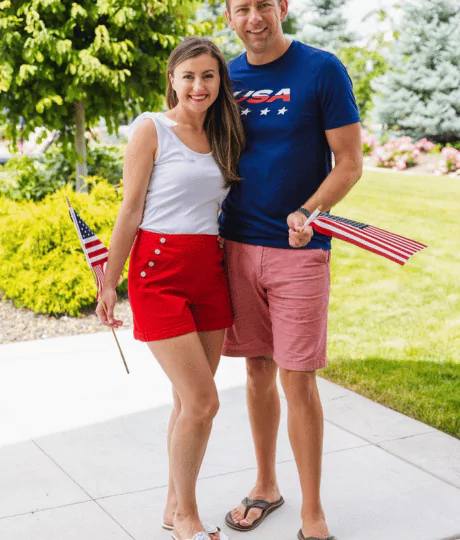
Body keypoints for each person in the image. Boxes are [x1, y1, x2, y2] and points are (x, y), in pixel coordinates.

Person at [219, 1, 363, 539]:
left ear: (282, 7)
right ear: (229, 16)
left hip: (300, 251)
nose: (254, 18)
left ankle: (313, 511)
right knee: (256, 369)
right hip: (235, 247)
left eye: (263, 5)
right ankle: (265, 486)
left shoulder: (321, 69)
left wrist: (310, 211)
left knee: (297, 376)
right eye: (241, 8)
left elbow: (349, 161)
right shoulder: (222, 76)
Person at [96, 37, 245, 540]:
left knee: (187, 401)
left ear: (219, 81)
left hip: (209, 270)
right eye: (189, 76)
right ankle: (187, 516)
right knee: (204, 402)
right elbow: (131, 209)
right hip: (158, 272)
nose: (198, 86)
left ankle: (171, 504)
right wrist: (108, 283)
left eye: (208, 76)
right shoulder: (151, 128)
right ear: (172, 80)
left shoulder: (225, 134)